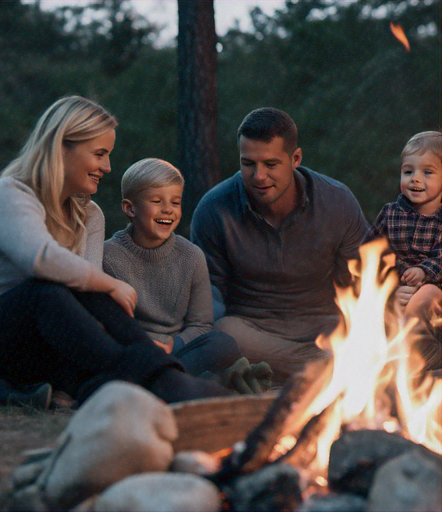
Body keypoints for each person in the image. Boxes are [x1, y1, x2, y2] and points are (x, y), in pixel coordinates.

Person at [0, 95, 233, 407]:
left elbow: (90, 294)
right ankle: (164, 382)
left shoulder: (89, 215)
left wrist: (115, 308)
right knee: (47, 291)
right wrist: (111, 283)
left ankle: (160, 380)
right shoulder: (8, 195)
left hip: (37, 349)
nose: (107, 166)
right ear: (62, 146)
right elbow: (41, 260)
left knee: (90, 295)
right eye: (100, 154)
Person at [190, 107, 368, 382]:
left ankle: (326, 367)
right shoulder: (213, 210)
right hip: (253, 331)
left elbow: (363, 285)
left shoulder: (338, 201)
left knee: (392, 329)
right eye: (248, 163)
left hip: (326, 326)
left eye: (270, 164)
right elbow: (209, 297)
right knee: (224, 333)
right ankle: (327, 370)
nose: (259, 176)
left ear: (295, 158)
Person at [103, 158, 273, 393]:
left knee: (223, 344)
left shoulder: (191, 256)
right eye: (156, 201)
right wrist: (144, 345)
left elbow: (201, 324)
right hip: (135, 350)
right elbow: (108, 324)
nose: (168, 209)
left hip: (176, 350)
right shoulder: (108, 256)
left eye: (175, 202)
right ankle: (179, 382)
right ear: (130, 208)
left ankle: (160, 383)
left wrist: (175, 344)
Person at [365, 131, 441, 371]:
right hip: (398, 288)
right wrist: (391, 287)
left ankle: (426, 351)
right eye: (408, 172)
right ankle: (388, 356)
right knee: (372, 303)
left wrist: (423, 272)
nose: (415, 179)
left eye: (427, 172)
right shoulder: (390, 213)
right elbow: (370, 254)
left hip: (435, 290)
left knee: (425, 296)